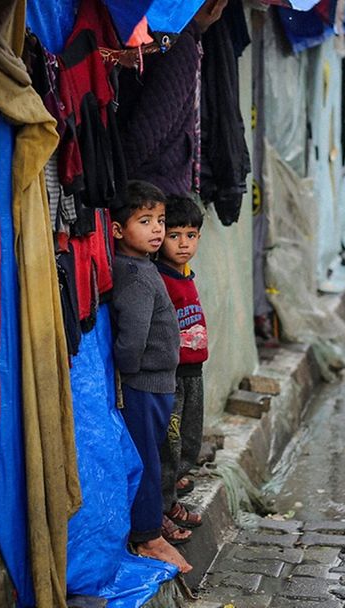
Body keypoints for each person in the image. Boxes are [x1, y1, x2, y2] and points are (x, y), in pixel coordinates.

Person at [110, 180, 191, 572]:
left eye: (159, 220)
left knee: (152, 455)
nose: (158, 229)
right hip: (144, 386)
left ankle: (149, 524)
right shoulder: (138, 276)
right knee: (146, 460)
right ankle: (147, 536)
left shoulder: (141, 265)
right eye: (145, 221)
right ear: (116, 230)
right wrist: (127, 372)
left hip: (155, 384)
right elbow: (131, 341)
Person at [155, 194, 208, 542]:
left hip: (193, 372)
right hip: (171, 375)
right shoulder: (160, 279)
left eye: (190, 235)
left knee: (189, 438)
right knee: (168, 444)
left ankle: (172, 493)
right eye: (175, 235)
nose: (184, 243)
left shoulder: (186, 274)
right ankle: (160, 509)